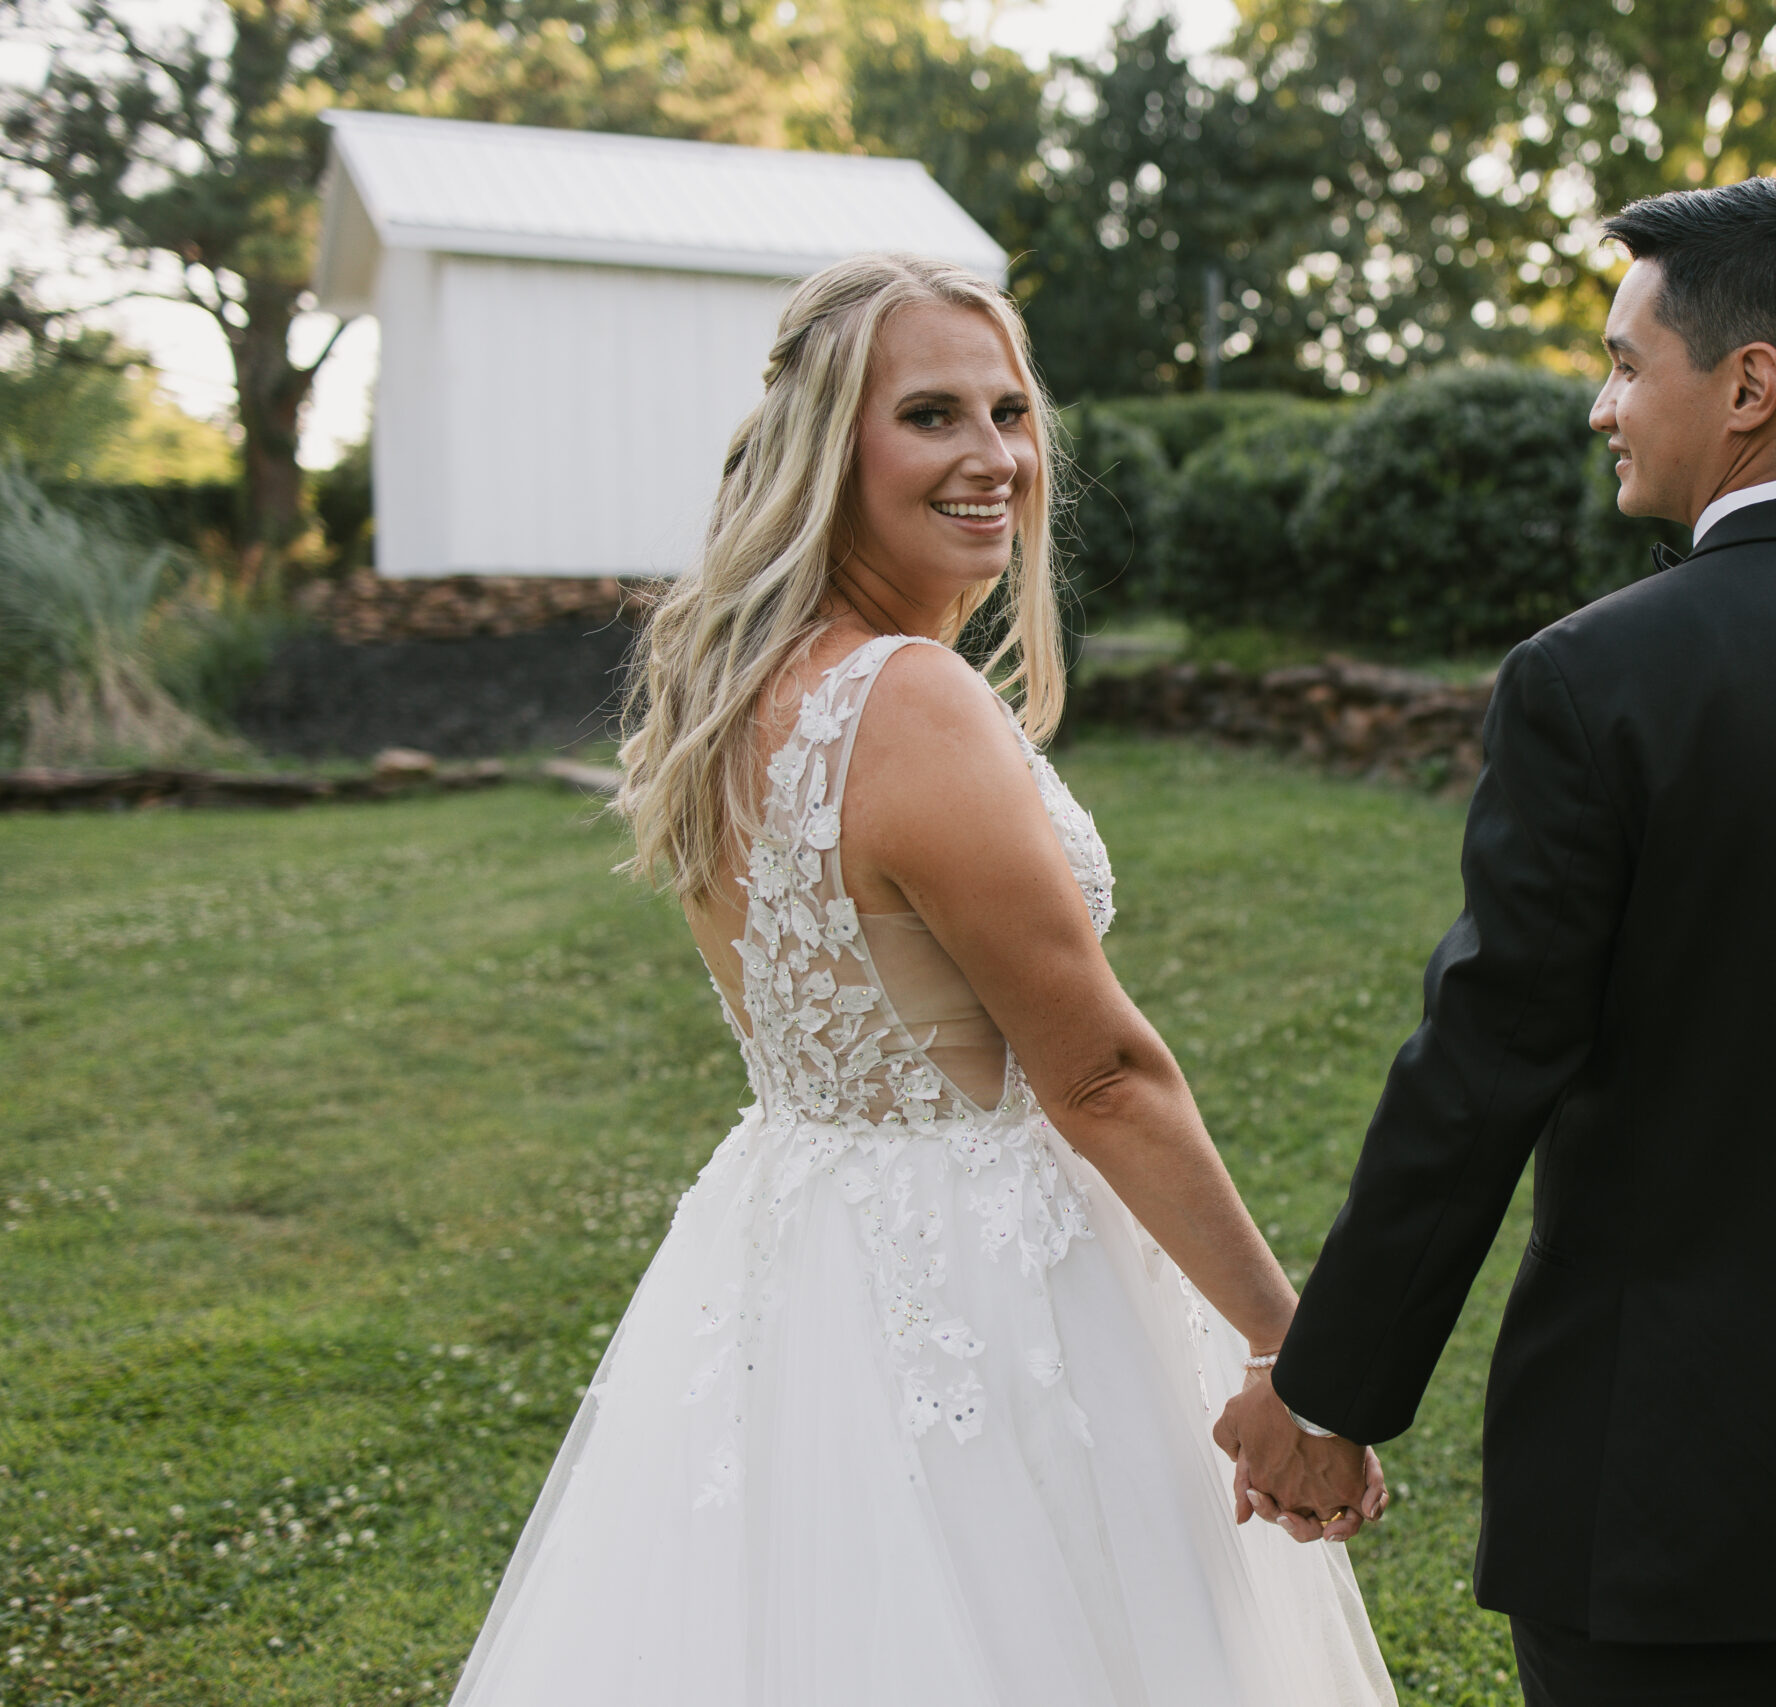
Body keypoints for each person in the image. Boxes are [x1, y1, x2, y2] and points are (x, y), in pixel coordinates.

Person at [1218, 177, 1776, 1707]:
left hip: (1651, 1478)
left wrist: (1328, 1393)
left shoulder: (1594, 681)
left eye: (1630, 363)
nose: (1599, 406)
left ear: (1750, 384)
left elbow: (1482, 1068)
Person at [449, 253, 1393, 1707]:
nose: (993, 458)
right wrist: (1297, 1359)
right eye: (933, 415)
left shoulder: (731, 689)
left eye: (1010, 413)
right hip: (981, 1280)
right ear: (834, 447)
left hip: (792, 1253)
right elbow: (1100, 1075)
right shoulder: (905, 698)